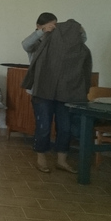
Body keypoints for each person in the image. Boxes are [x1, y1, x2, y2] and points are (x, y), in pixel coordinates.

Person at [21, 12, 90, 174]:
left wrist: (81, 30)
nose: (53, 28)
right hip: (41, 92)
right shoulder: (38, 43)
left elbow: (80, 41)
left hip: (64, 92)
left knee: (65, 127)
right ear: (39, 26)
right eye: (49, 25)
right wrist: (42, 32)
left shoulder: (65, 45)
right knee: (43, 127)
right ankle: (41, 160)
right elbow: (25, 45)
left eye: (55, 25)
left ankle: (61, 161)